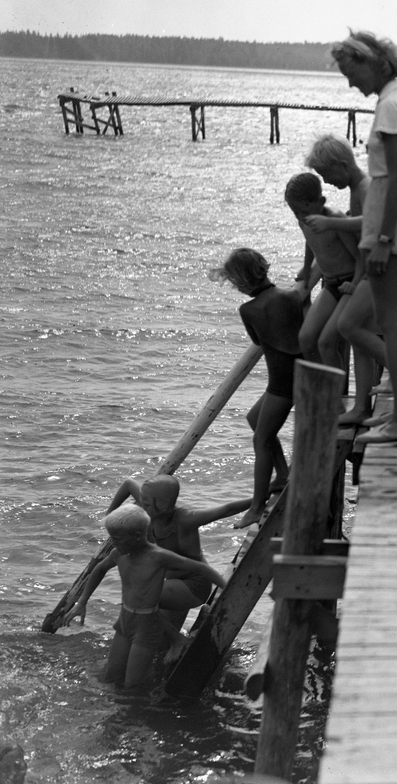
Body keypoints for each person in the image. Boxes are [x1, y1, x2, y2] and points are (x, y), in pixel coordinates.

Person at [331, 30, 397, 445]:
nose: (351, 83)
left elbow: (389, 179)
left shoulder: (391, 106)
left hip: (395, 219)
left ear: (373, 63)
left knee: (393, 322)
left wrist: (384, 239)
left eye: (351, 72)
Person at [64, 505, 227, 688]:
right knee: (111, 676)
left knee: (132, 684)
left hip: (146, 626)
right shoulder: (118, 553)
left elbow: (201, 568)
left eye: (117, 538)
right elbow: (99, 569)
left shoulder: (158, 556)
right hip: (125, 620)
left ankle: (135, 710)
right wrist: (82, 602)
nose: (113, 542)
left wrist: (226, 588)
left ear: (137, 536)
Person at [210, 247, 305, 528]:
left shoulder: (249, 309)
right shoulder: (291, 296)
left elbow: (257, 339)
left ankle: (256, 506)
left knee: (261, 439)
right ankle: (283, 474)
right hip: (302, 373)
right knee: (254, 419)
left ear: (241, 282)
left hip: (282, 382)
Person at [105, 474, 250, 630]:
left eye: (146, 504)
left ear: (164, 506)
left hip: (194, 586)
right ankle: (172, 644)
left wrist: (262, 498)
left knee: (139, 596)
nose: (141, 507)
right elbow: (128, 484)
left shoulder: (185, 520)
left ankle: (176, 641)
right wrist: (110, 514)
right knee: (160, 641)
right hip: (172, 583)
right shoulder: (150, 509)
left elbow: (227, 510)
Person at [303, 134, 378, 426]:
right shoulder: (356, 188)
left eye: (326, 174)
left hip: (371, 273)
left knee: (353, 334)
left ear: (342, 165)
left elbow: (374, 222)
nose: (327, 181)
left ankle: (382, 390)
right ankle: (361, 405)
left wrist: (332, 222)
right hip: (366, 273)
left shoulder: (366, 187)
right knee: (357, 340)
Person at [285, 172, 360, 367]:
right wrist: (306, 269)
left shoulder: (335, 220)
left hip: (350, 282)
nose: (301, 217)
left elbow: (360, 257)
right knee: (306, 338)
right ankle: (323, 383)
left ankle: (334, 394)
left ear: (321, 201)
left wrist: (354, 283)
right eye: (295, 212)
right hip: (330, 283)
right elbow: (310, 243)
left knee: (326, 342)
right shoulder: (304, 221)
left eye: (303, 211)